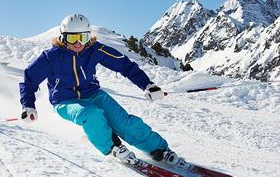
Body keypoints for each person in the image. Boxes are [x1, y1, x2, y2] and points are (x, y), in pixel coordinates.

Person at [19, 13, 186, 167]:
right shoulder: (51, 57)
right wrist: (28, 105)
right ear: (63, 37)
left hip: (94, 94)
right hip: (65, 101)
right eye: (73, 38)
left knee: (124, 122)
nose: (79, 43)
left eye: (83, 37)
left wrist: (148, 85)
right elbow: (29, 81)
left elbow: (125, 66)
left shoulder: (95, 50)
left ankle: (159, 150)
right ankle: (113, 147)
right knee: (91, 114)